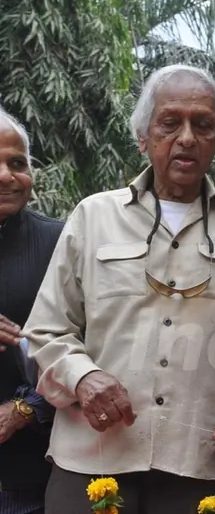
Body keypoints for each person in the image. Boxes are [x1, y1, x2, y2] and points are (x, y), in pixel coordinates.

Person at [21, 65, 215, 514]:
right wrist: (82, 376)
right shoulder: (92, 217)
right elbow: (45, 330)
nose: (188, 138)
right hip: (93, 461)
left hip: (201, 467)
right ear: (143, 136)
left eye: (204, 124)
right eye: (170, 123)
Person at [0, 107, 62, 514]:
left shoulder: (61, 243)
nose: (7, 176)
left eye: (17, 163)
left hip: (28, 480)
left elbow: (95, 342)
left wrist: (23, 410)